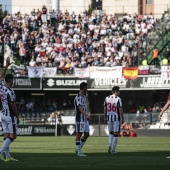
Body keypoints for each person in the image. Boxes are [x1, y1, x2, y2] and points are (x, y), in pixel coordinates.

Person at [0, 58, 19, 162]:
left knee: (7, 135)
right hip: (9, 116)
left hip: (2, 114)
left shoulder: (1, 87)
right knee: (13, 136)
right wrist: (17, 116)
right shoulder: (10, 92)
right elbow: (13, 106)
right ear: (11, 80)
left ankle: (7, 157)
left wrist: (6, 66)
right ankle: (0, 152)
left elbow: (1, 76)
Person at [104, 86, 124, 154]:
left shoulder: (107, 98)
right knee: (116, 134)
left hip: (109, 117)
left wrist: (105, 117)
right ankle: (113, 150)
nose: (119, 92)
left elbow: (105, 108)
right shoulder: (118, 99)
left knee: (110, 132)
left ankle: (109, 144)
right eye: (118, 91)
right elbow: (120, 109)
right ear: (115, 91)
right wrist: (122, 117)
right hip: (116, 117)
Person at [74, 82, 91, 156]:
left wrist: (87, 114)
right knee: (79, 134)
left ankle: (78, 148)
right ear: (83, 87)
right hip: (80, 118)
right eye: (86, 87)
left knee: (87, 134)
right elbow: (80, 109)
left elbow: (85, 107)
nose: (87, 89)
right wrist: (87, 115)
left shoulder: (84, 97)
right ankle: (79, 152)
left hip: (85, 118)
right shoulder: (78, 97)